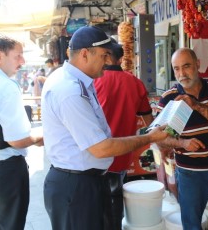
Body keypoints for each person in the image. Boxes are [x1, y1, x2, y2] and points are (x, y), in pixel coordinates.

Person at [41, 26, 170, 230]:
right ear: (85, 54)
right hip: (76, 186)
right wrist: (149, 138)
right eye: (104, 55)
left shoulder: (81, 82)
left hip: (88, 181)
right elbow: (101, 148)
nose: (109, 62)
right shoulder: (69, 90)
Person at [157, 47, 208, 229]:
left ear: (198, 64)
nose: (182, 73)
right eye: (176, 69)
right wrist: (182, 143)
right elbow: (160, 138)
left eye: (187, 66)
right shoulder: (169, 98)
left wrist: (196, 105)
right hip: (190, 173)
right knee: (191, 224)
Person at [94, 38, 154, 230]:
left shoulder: (93, 81)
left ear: (105, 57)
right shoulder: (135, 83)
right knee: (115, 199)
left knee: (96, 205)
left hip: (97, 154)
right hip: (123, 155)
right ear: (120, 60)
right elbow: (148, 121)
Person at [0, 35, 44, 230]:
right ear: (0, 56)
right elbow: (17, 140)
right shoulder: (6, 87)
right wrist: (40, 137)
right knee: (10, 224)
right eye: (18, 56)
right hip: (6, 169)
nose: (22, 61)